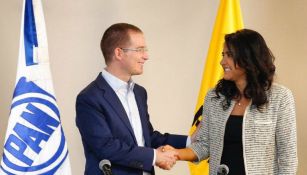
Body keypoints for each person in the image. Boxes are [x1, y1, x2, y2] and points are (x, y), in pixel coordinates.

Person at [164, 29, 298, 174]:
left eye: (229, 55)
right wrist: (176, 153)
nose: (222, 61)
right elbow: (204, 145)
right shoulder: (214, 97)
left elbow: (288, 158)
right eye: (223, 55)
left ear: (248, 58)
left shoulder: (280, 97)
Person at [75, 23, 188, 175]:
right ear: (119, 53)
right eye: (139, 50)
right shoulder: (89, 98)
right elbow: (106, 147)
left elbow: (147, 137)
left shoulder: (139, 93)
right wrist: (155, 157)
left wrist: (190, 141)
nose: (146, 56)